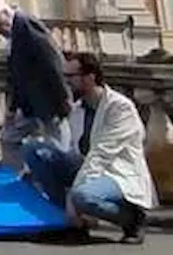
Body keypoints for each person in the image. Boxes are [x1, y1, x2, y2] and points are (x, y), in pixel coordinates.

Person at [22, 53, 154, 244]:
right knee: (34, 149)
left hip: (116, 172)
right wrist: (31, 170)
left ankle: (132, 219)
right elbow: (70, 149)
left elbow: (102, 153)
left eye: (71, 77)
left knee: (82, 196)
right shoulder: (78, 109)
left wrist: (73, 197)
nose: (66, 82)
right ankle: (68, 223)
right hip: (88, 166)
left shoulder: (120, 108)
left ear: (90, 77)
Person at [0, 0, 72, 171]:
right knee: (8, 138)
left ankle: (61, 183)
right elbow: (18, 76)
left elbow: (52, 61)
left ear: (6, 14)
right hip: (30, 104)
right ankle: (17, 177)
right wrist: (12, 108)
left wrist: (63, 97)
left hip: (49, 100)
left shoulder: (26, 24)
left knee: (59, 147)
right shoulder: (14, 33)